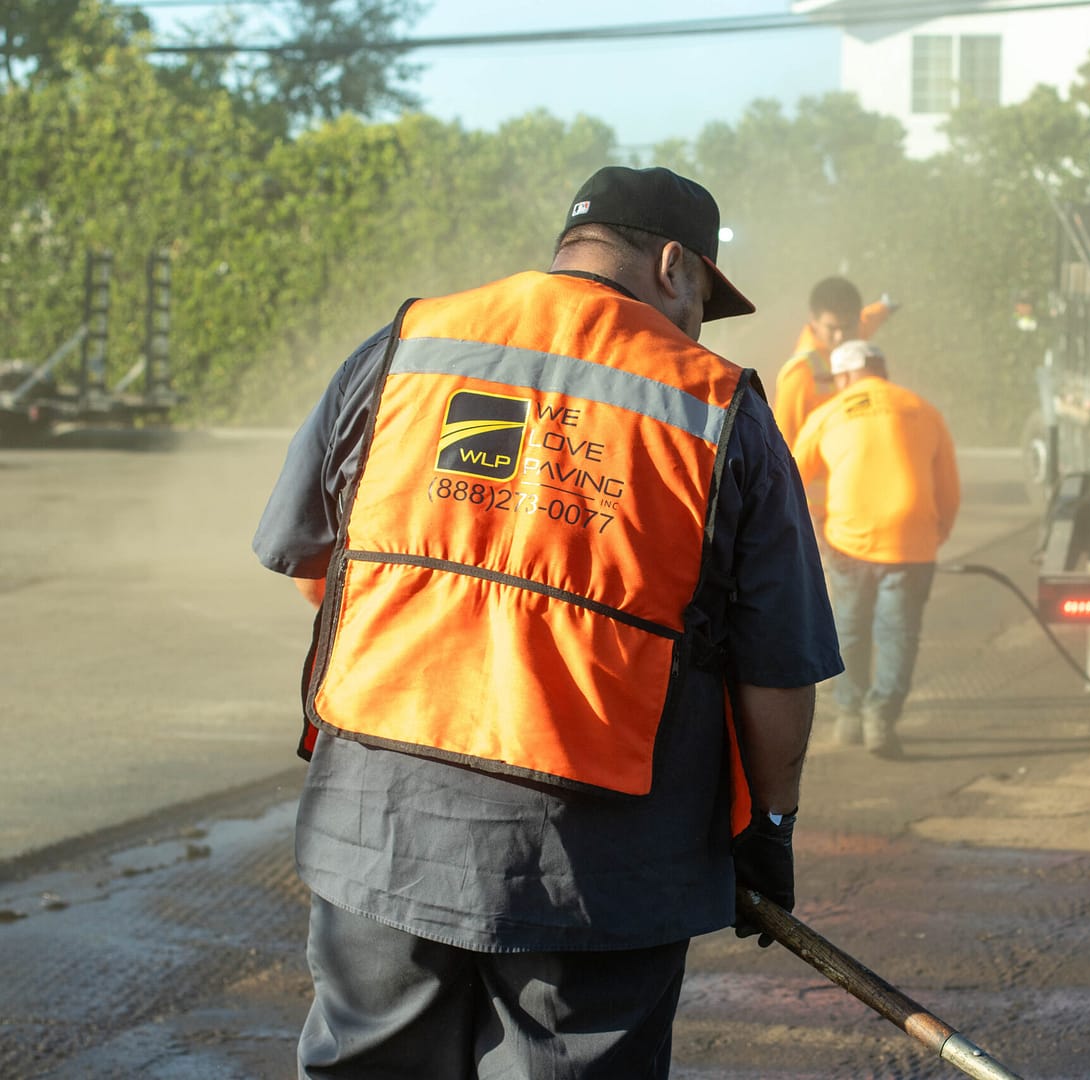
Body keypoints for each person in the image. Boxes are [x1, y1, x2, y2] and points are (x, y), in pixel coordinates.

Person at [252, 164, 841, 1080]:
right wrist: (769, 826)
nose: (693, 325)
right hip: (598, 866)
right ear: (674, 265)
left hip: (380, 820)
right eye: (702, 300)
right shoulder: (718, 407)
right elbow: (776, 675)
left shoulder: (407, 345)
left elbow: (315, 566)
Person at [791, 339, 959, 758]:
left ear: (846, 377)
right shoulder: (923, 409)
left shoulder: (829, 412)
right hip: (911, 543)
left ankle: (848, 716)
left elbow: (789, 474)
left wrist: (811, 521)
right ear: (881, 370)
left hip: (849, 542)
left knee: (848, 627)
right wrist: (935, 535)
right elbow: (949, 489)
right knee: (898, 634)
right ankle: (880, 717)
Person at [773, 276, 896, 451]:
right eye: (832, 328)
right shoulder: (800, 375)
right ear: (813, 322)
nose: (840, 337)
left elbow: (870, 318)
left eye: (847, 327)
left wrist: (886, 307)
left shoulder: (854, 333)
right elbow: (781, 446)